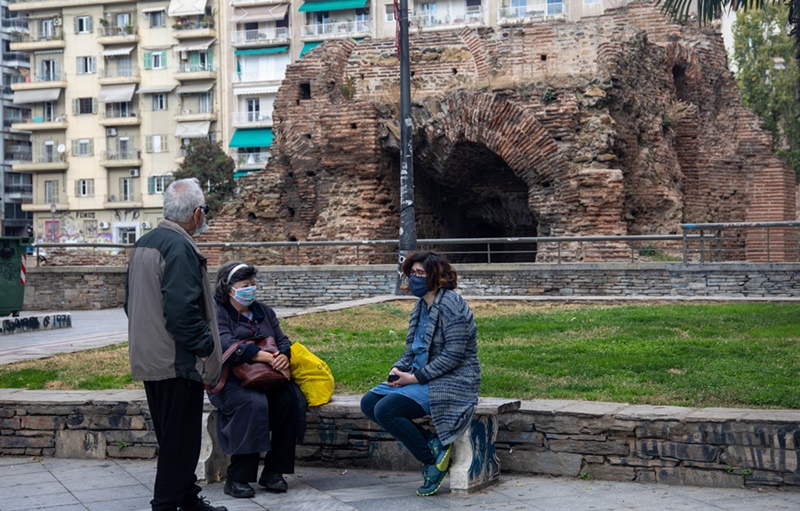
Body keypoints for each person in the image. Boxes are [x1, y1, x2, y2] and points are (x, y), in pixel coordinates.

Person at [125, 178, 226, 511]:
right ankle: (167, 503)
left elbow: (130, 302)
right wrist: (206, 347)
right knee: (178, 442)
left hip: (151, 354)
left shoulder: (145, 242)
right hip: (176, 360)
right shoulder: (179, 247)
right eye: (205, 212)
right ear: (197, 213)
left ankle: (186, 497)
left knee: (176, 436)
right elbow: (182, 312)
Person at [360, 251, 481, 497]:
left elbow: (454, 355)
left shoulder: (451, 304)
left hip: (452, 380)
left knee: (386, 410)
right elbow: (413, 349)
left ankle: (432, 462)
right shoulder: (421, 305)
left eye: (419, 274)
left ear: (435, 276)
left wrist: (414, 378)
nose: (413, 278)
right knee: (369, 402)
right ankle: (433, 444)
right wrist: (399, 369)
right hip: (420, 375)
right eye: (411, 273)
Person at [209, 260, 306, 499]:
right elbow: (226, 345)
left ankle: (274, 472)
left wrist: (283, 356)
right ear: (229, 287)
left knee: (290, 399)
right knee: (252, 403)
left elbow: (282, 340)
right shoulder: (217, 313)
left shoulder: (265, 311)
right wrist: (265, 356)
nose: (251, 289)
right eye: (245, 284)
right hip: (230, 379)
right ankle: (237, 477)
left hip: (267, 376)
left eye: (253, 284)